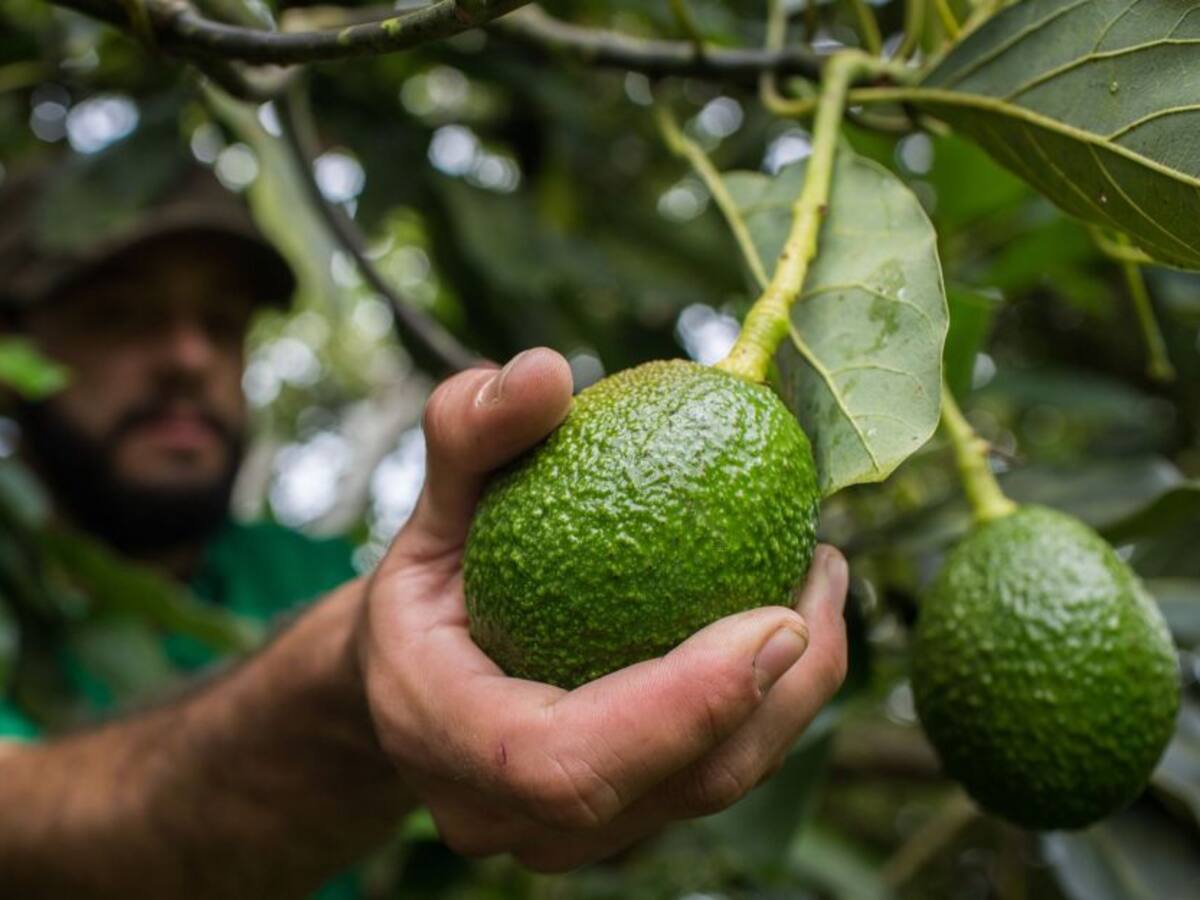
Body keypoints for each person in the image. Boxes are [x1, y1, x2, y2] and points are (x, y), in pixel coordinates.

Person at [0, 145, 850, 898]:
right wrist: (351, 688)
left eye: (220, 324)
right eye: (120, 315)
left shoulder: (307, 573)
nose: (189, 358)